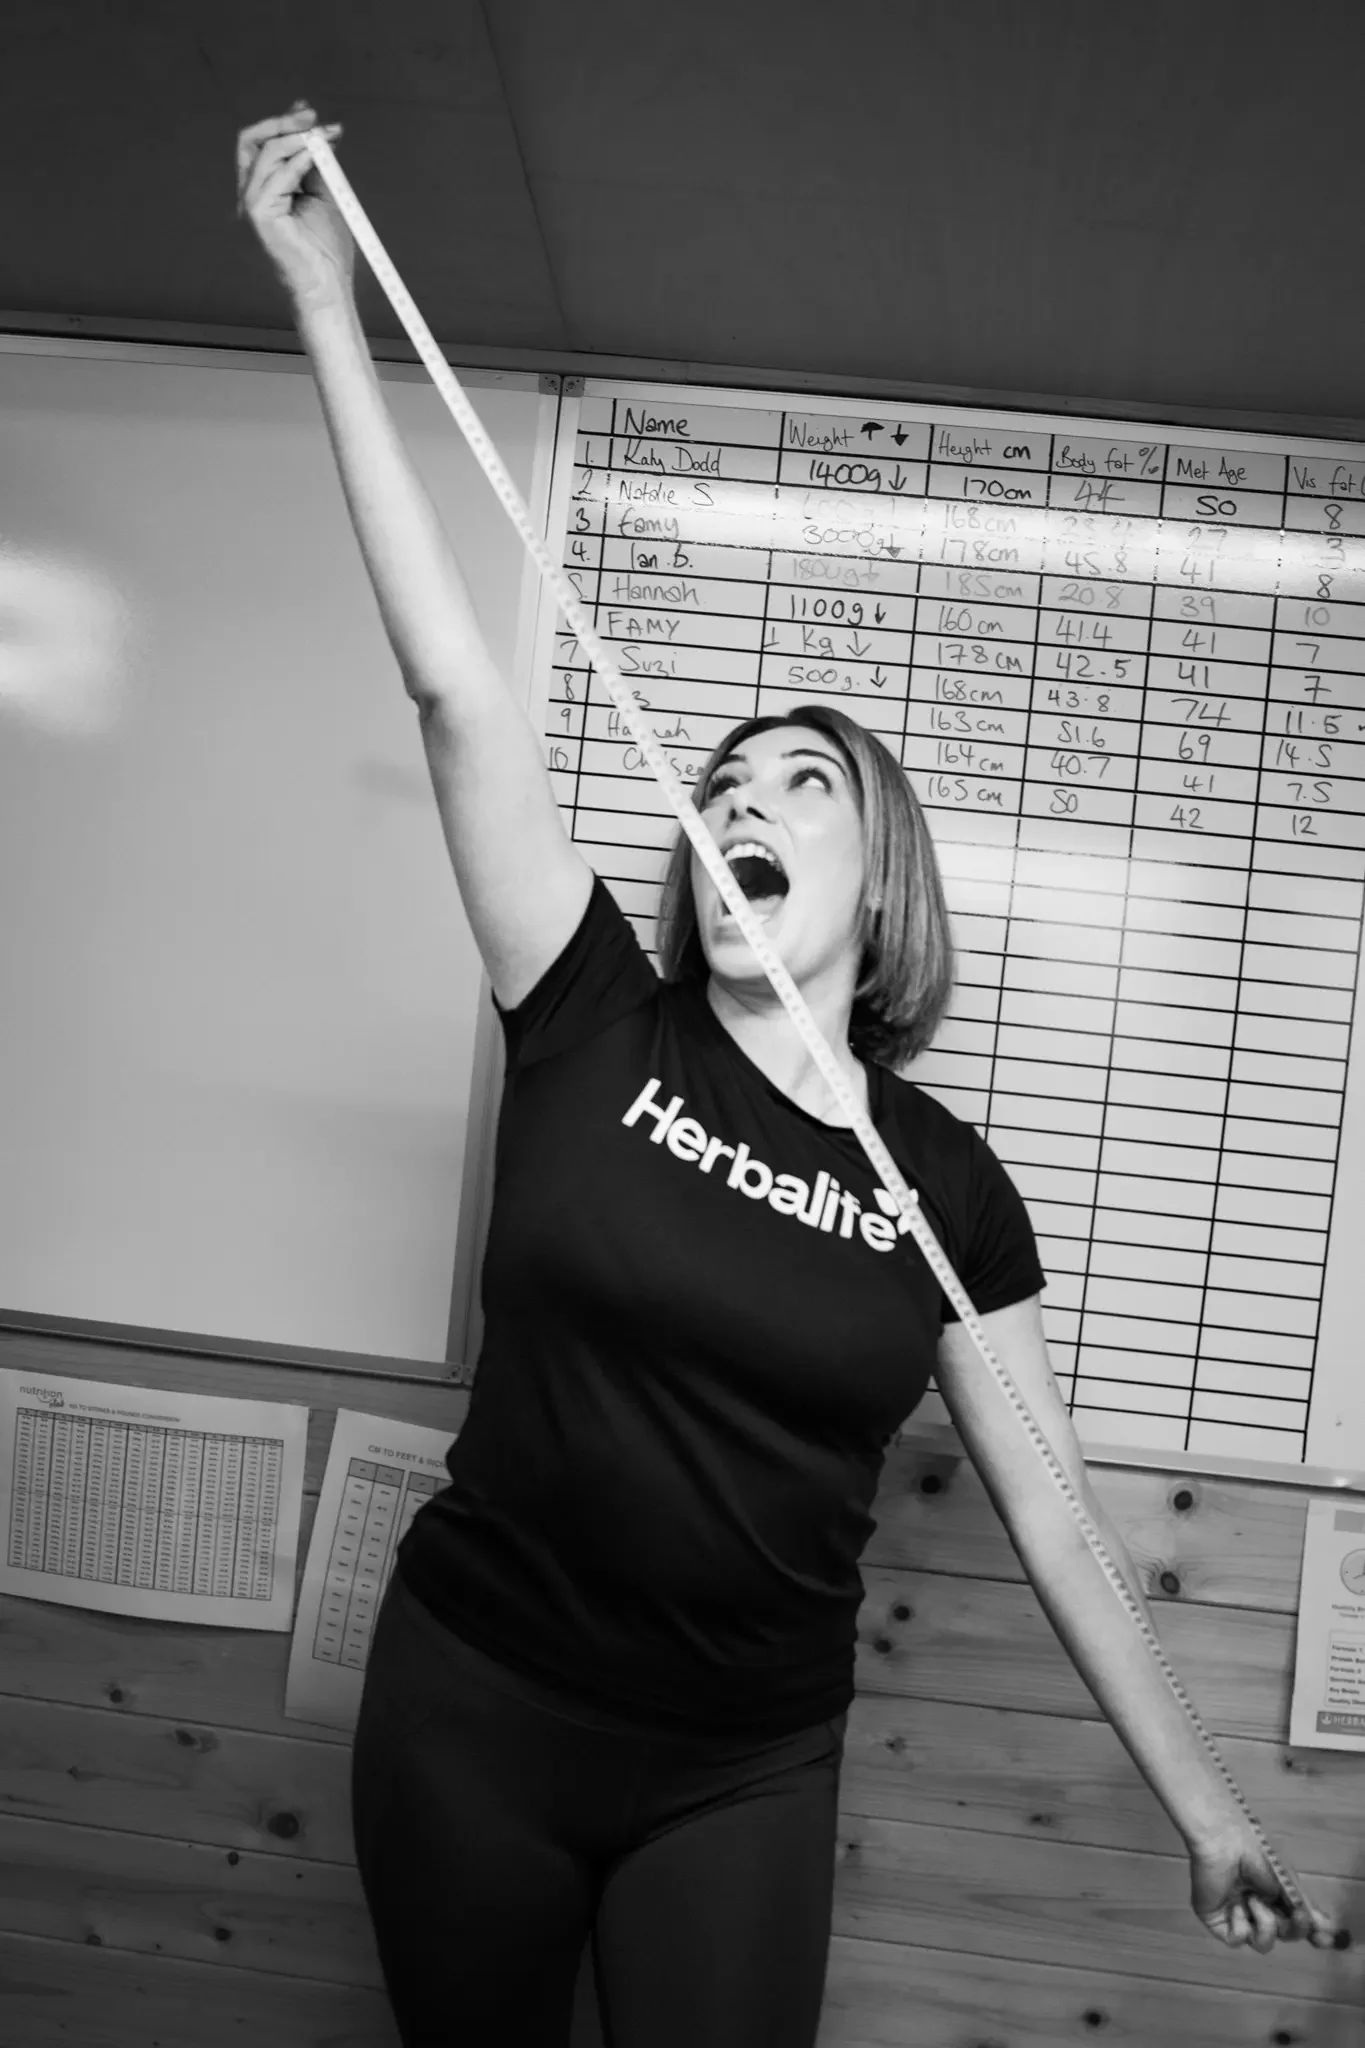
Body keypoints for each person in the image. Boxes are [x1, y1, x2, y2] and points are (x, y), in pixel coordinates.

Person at [236, 104, 1336, 2048]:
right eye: (720, 785)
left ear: (871, 873)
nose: (740, 799)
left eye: (798, 785)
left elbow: (1065, 1524)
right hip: (474, 1705)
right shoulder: (586, 1010)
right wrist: (328, 296)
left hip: (736, 1765)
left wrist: (1211, 1819)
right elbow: (451, 690)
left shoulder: (944, 1183)